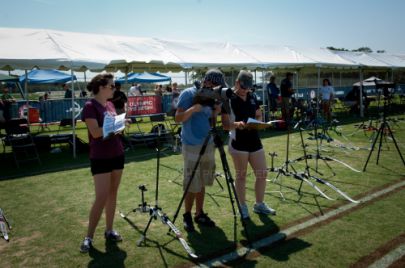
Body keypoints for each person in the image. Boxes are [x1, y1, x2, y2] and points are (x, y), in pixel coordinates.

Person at [80, 73, 125, 253]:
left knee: (112, 194)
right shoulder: (90, 106)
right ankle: (88, 237)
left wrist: (120, 125)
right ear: (101, 87)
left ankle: (109, 230)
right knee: (101, 197)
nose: (115, 89)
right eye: (112, 86)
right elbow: (96, 132)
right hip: (100, 157)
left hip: (117, 154)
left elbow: (111, 129)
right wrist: (116, 125)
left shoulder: (111, 104)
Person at [221, 70, 276, 220]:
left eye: (249, 88)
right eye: (244, 87)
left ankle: (259, 204)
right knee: (241, 176)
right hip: (238, 142)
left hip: (254, 139)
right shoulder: (228, 98)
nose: (246, 90)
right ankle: (243, 207)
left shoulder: (252, 95)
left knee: (262, 173)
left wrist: (258, 120)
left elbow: (258, 113)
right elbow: (225, 125)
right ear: (237, 83)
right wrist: (237, 124)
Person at [175, 69, 223, 232]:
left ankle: (199, 213)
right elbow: (177, 118)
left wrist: (215, 112)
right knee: (191, 182)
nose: (217, 90)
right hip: (191, 144)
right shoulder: (188, 93)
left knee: (202, 180)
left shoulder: (213, 96)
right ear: (208, 82)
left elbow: (210, 119)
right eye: (215, 86)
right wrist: (193, 109)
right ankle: (187, 215)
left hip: (208, 143)